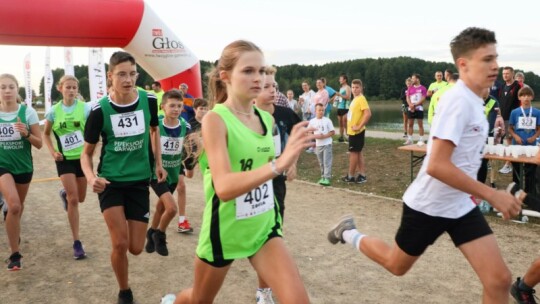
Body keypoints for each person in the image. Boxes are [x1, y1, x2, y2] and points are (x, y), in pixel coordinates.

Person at [328, 27, 523, 304]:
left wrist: (485, 195)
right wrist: (492, 194)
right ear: (463, 64)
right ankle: (348, 232)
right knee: (396, 265)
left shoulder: (474, 101)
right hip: (428, 205)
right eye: (486, 60)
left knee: (499, 279)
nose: (495, 66)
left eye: (495, 58)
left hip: (458, 206)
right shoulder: (457, 101)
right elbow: (436, 166)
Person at [169, 40, 312, 304]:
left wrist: (288, 162)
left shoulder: (266, 119)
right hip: (225, 230)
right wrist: (277, 165)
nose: (257, 78)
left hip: (263, 226)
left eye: (261, 71)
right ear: (226, 77)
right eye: (248, 71)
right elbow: (223, 188)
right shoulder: (216, 119)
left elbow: (262, 165)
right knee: (199, 300)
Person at [81, 51, 166, 304]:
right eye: (121, 75)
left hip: (139, 182)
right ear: (110, 77)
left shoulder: (149, 100)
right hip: (111, 182)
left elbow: (154, 131)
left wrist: (158, 163)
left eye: (132, 74)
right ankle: (124, 291)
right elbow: (85, 155)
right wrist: (90, 177)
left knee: (136, 248)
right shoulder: (99, 110)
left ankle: (152, 233)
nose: (128, 80)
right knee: (119, 244)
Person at [253, 65, 302, 303]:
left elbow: (297, 135)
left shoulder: (284, 113)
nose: (272, 91)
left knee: (271, 235)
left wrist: (292, 161)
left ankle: (264, 291)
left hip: (276, 183)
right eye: (266, 86)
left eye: (275, 86)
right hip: (249, 184)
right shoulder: (245, 116)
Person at [43, 75, 91, 260]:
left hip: (82, 158)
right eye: (68, 87)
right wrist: (53, 152)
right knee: (73, 200)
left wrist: (90, 150)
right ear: (60, 88)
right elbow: (46, 134)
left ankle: (64, 193)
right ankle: (77, 243)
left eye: (74, 87)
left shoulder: (85, 109)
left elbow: (92, 132)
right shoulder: (54, 111)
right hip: (64, 160)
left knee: (81, 198)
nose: (71, 90)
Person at [0, 73, 42, 271]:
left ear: (17, 89)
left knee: (17, 207)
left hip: (24, 167)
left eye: (11, 87)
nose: (7, 91)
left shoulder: (28, 112)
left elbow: (39, 143)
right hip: (2, 166)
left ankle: (11, 218)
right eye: (3, 87)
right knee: (15, 205)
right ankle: (15, 254)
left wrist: (25, 133)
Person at [145, 89, 191, 256]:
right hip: (156, 173)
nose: (176, 109)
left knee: (161, 208)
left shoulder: (185, 126)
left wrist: (187, 165)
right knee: (171, 209)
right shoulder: (155, 124)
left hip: (172, 172)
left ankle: (151, 232)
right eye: (172, 106)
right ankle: (160, 235)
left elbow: (187, 148)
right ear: (162, 106)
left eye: (179, 106)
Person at [176, 98, 208, 233]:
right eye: (201, 108)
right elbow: (191, 142)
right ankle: (180, 219)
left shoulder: (210, 122)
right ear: (195, 110)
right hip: (188, 154)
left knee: (198, 177)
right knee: (186, 178)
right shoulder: (191, 124)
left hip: (203, 156)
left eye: (206, 108)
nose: (204, 111)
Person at [508, 86, 540, 193]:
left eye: (528, 95)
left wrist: (534, 137)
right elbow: (510, 128)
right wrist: (516, 136)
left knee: (530, 171)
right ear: (519, 97)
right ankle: (516, 193)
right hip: (517, 146)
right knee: (516, 171)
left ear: (532, 97)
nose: (526, 98)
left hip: (531, 146)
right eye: (523, 95)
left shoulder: (537, 112)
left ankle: (529, 194)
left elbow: (539, 129)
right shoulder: (514, 112)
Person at [341, 79, 371, 184]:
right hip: (352, 131)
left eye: (357, 87)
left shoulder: (361, 99)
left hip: (357, 132)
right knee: (358, 153)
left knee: (353, 153)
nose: (354, 89)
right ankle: (362, 175)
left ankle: (351, 176)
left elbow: (367, 114)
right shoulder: (355, 99)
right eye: (353, 87)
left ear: (361, 88)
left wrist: (359, 126)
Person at [498, 66, 521, 174]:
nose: (505, 75)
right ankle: (509, 163)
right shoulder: (502, 86)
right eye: (503, 74)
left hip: (513, 119)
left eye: (507, 73)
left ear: (512, 74)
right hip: (503, 118)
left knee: (511, 141)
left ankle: (508, 164)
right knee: (506, 142)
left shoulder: (517, 86)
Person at [309, 103, 335, 186]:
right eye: (319, 110)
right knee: (321, 162)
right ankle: (323, 177)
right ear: (315, 111)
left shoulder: (327, 120)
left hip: (327, 144)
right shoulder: (312, 121)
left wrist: (324, 136)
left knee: (327, 161)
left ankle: (327, 178)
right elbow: (309, 133)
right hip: (318, 145)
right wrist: (315, 136)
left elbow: (332, 132)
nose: (321, 112)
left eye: (322, 110)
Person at [404, 73, 427, 146]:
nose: (412, 80)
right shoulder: (410, 88)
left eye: (413, 78)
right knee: (410, 124)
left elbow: (423, 99)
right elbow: (407, 98)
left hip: (419, 108)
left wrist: (415, 105)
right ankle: (410, 139)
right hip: (411, 108)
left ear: (417, 79)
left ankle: (421, 140)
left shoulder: (423, 88)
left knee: (420, 125)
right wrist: (410, 105)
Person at [335, 74, 351, 142]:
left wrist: (339, 95)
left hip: (346, 107)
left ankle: (348, 137)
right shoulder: (341, 88)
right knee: (340, 123)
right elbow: (340, 97)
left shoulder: (348, 87)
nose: (339, 80)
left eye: (340, 79)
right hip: (339, 107)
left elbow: (348, 97)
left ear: (345, 80)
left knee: (345, 123)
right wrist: (336, 99)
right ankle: (341, 137)